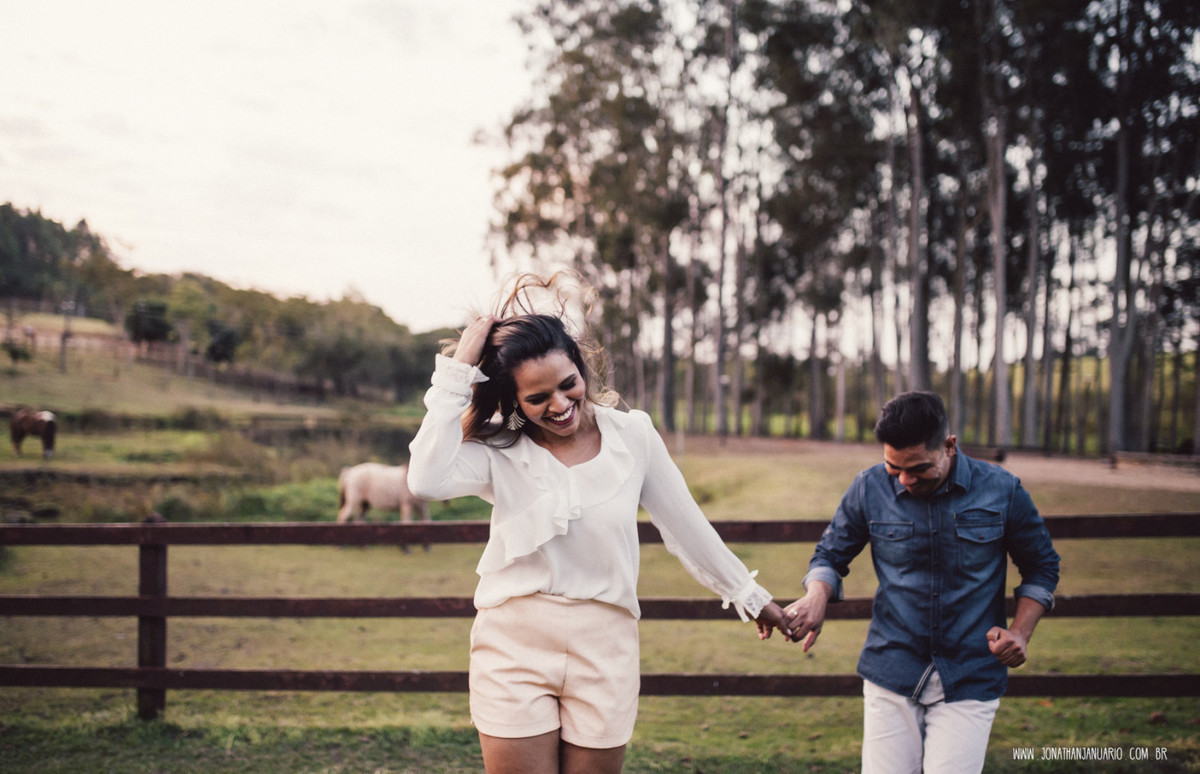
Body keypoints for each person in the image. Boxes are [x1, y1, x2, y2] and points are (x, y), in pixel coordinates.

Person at [406, 274, 793, 774]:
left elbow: (688, 529)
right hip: (513, 644)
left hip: (606, 645)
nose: (560, 405)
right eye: (537, 398)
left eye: (568, 384)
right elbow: (425, 479)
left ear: (580, 365)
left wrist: (751, 597)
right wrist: (457, 372)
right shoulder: (501, 448)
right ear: (515, 400)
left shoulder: (634, 435)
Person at [783, 391, 1059, 774]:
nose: (905, 480)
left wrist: (1020, 633)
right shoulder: (868, 487)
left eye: (918, 469)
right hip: (891, 670)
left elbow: (1042, 566)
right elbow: (829, 555)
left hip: (970, 675)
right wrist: (816, 595)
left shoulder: (1003, 490)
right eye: (893, 468)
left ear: (949, 446)